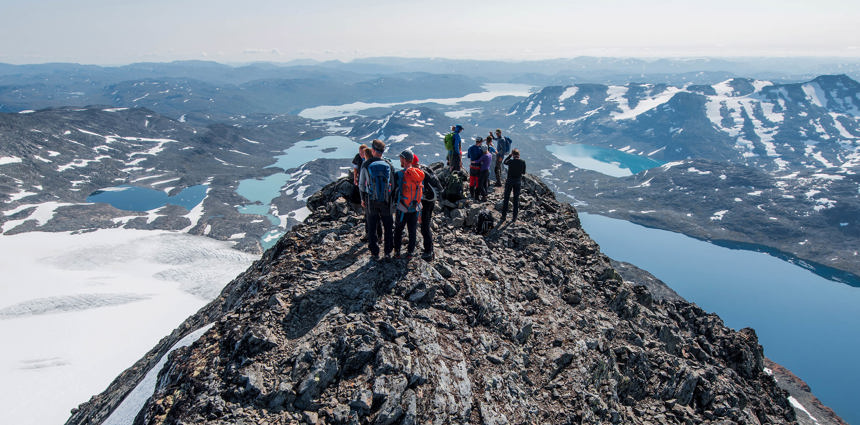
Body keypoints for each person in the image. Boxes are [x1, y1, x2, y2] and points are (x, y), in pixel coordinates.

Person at [358, 139, 395, 260]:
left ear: (373, 150)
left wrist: (362, 198)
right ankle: (388, 252)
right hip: (386, 201)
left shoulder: (366, 164)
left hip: (371, 200)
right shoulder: (388, 165)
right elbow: (393, 185)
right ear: (382, 152)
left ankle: (375, 252)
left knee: (372, 226)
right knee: (388, 227)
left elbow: (362, 185)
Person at [391, 150, 424, 259]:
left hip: (402, 207)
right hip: (414, 208)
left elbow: (393, 190)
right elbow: (420, 194)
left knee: (398, 230)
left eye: (401, 158)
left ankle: (397, 252)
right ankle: (410, 253)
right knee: (412, 231)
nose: (400, 160)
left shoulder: (399, 174)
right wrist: (420, 212)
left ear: (404, 160)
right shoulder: (418, 174)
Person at [412, 154, 442, 260]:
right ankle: (429, 249)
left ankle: (428, 251)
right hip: (431, 201)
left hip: (425, 202)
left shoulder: (418, 173)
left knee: (424, 226)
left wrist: (419, 211)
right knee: (426, 225)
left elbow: (420, 192)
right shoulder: (424, 168)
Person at [500, 148, 526, 223]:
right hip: (517, 182)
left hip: (509, 181)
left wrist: (509, 156)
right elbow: (523, 172)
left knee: (506, 198)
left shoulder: (510, 161)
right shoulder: (522, 162)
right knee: (516, 199)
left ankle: (503, 216)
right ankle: (514, 217)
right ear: (519, 155)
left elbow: (504, 162)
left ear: (513, 155)